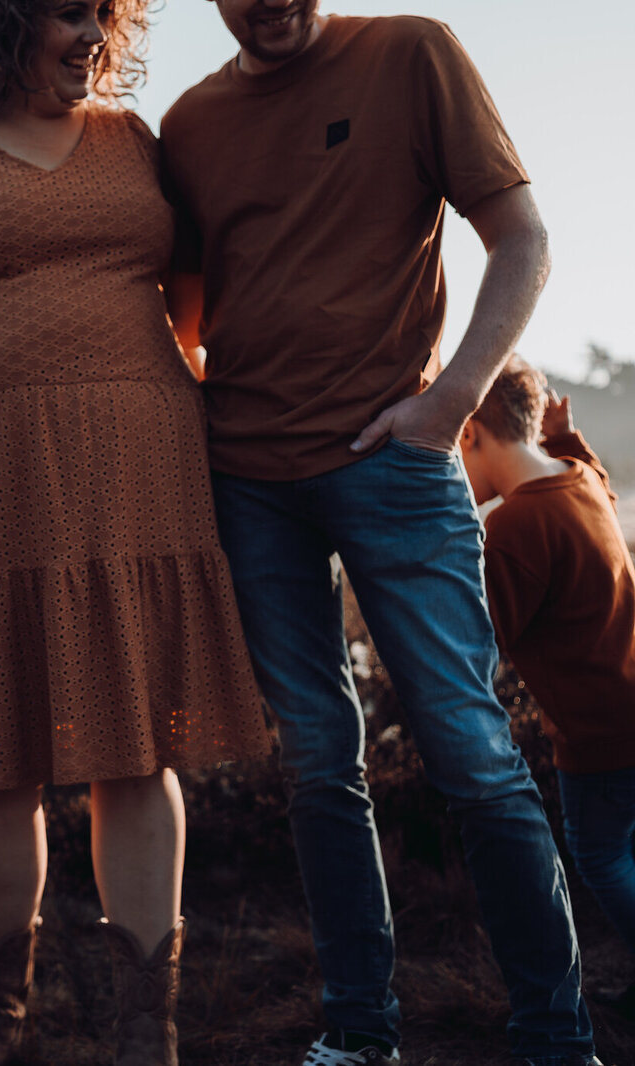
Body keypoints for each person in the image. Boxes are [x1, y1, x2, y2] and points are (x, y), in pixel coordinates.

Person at [160, 4, 598, 1064]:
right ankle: (359, 1031)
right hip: (250, 483)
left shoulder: (411, 53)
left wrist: (448, 402)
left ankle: (556, 1035)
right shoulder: (187, 125)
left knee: (470, 751)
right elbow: (179, 316)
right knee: (317, 758)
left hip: (395, 462)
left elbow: (523, 238)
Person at [0, 3, 271, 1063]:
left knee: (138, 748)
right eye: (68, 16)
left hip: (139, 472)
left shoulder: (135, 144)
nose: (91, 38)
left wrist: (153, 388)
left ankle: (143, 1030)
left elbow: (191, 298)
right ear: (3, 24)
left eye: (102, 15)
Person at [460, 356, 635, 1012]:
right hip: (627, 704)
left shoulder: (512, 527)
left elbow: (484, 642)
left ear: (471, 430)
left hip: (599, 735)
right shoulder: (578, 478)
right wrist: (561, 433)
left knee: (598, 855)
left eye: (453, 443)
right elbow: (596, 475)